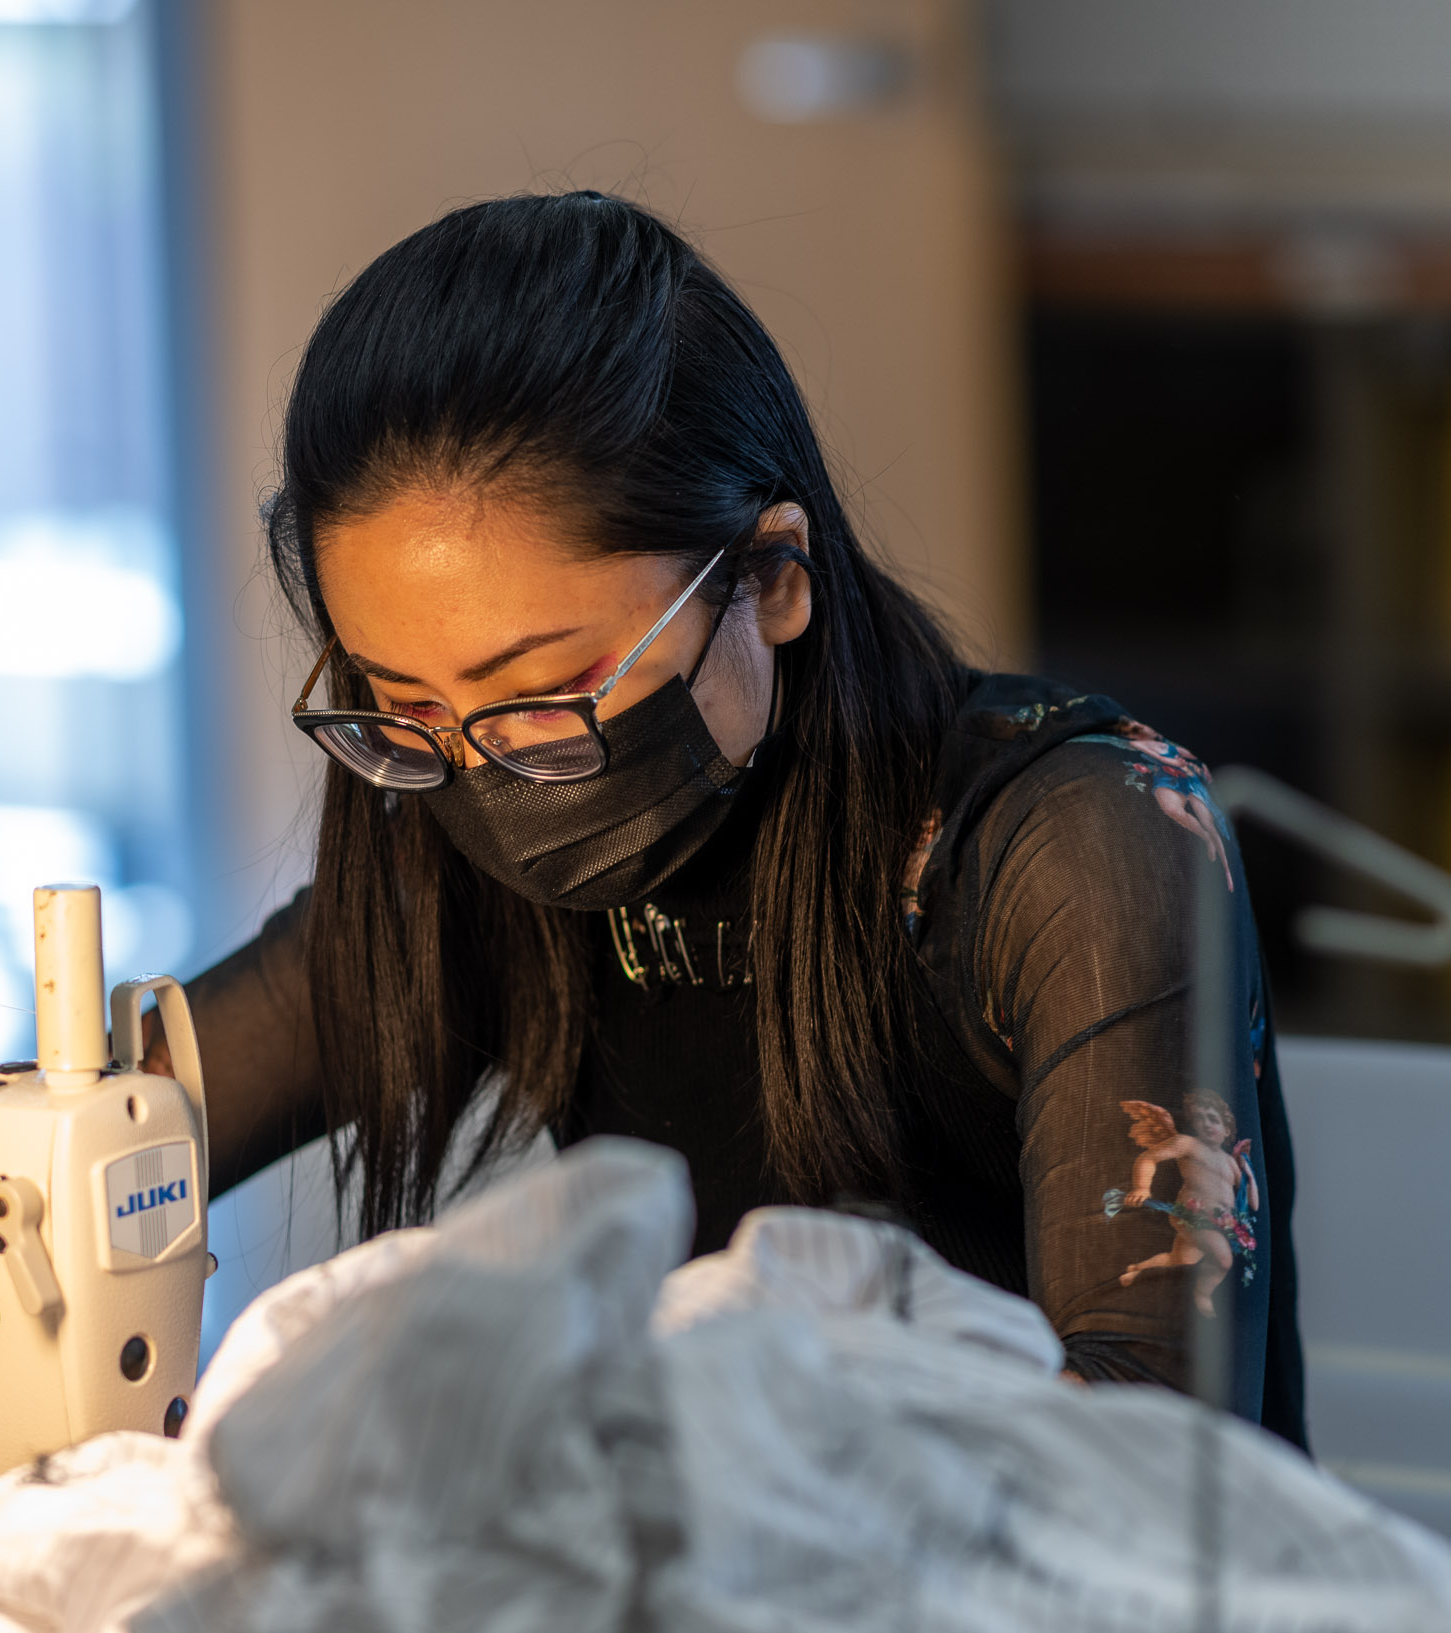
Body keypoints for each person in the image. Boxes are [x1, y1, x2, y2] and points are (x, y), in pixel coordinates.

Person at [166, 191, 1304, 1440]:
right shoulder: (456, 813)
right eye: (402, 704)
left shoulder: (1077, 844)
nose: (483, 773)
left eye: (547, 694)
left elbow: (1146, 1455)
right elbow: (75, 1144)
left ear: (771, 577)